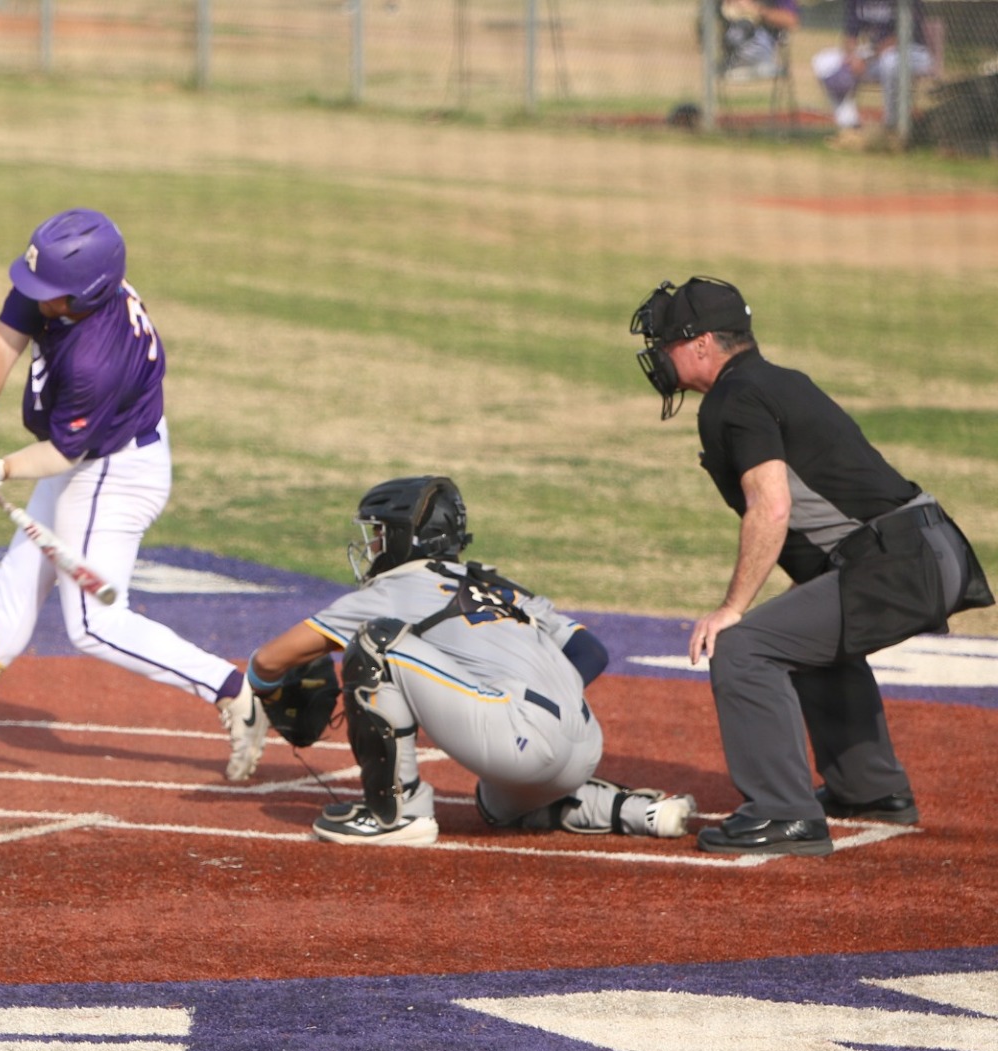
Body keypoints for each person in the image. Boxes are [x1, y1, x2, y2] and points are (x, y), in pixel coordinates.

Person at [0, 209, 269, 781]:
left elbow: (63, 454)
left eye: (47, 293)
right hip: (90, 459)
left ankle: (235, 691)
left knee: (95, 626)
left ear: (86, 293)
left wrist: (0, 469)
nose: (35, 298)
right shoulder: (65, 284)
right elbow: (5, 339)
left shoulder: (95, 358)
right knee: (14, 590)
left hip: (113, 472)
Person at [629, 277, 991, 856]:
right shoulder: (776, 381)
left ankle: (782, 813)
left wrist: (731, 609)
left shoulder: (733, 398)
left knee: (745, 648)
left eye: (666, 340)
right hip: (931, 548)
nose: (657, 354)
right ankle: (869, 789)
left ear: (700, 345)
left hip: (896, 561)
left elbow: (771, 505)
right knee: (804, 640)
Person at [243, 476, 697, 847]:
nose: (374, 545)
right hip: (582, 745)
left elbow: (272, 658)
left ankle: (394, 815)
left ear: (405, 537)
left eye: (379, 532)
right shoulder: (496, 585)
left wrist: (256, 693)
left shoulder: (397, 586)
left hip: (518, 741)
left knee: (375, 643)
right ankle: (639, 812)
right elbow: (589, 652)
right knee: (498, 804)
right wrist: (532, 701)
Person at [811, 0, 935, 147]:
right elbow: (850, 35)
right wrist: (853, 57)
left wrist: (867, 58)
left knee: (890, 62)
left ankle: (892, 128)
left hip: (914, 53)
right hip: (875, 55)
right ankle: (850, 126)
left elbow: (902, 36)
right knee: (823, 62)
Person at [719, 0, 800, 81]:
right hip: (731, 52)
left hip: (761, 49)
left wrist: (757, 10)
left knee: (745, 29)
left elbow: (791, 20)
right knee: (737, 31)